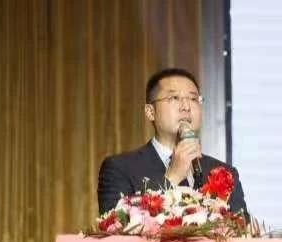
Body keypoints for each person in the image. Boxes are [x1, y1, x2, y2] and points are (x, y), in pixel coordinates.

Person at [97, 68, 249, 220]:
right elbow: (117, 226)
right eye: (174, 98)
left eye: (193, 99)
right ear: (150, 112)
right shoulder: (120, 169)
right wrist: (172, 177)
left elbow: (242, 230)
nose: (186, 107)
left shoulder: (224, 173)